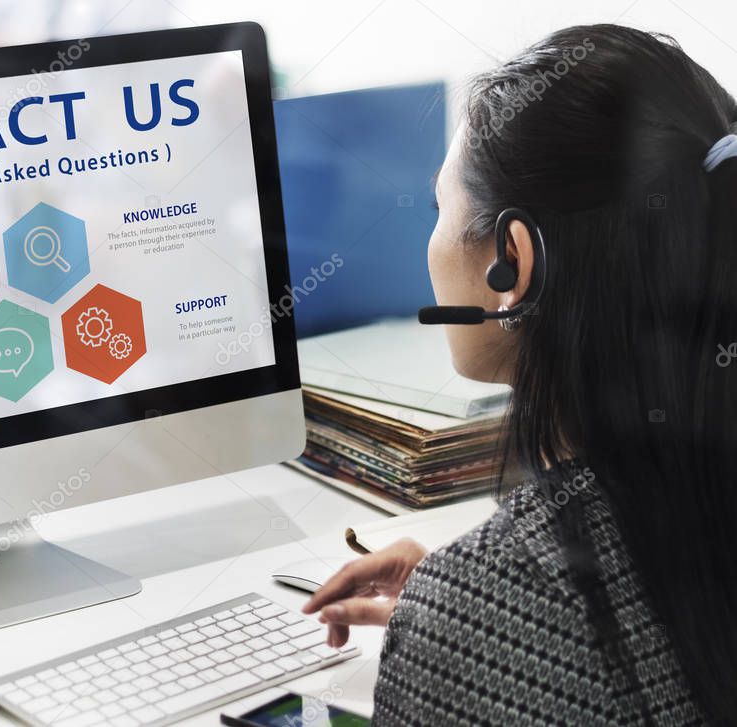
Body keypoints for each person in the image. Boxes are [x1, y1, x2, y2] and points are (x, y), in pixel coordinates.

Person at [304, 24, 737, 725]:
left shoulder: (474, 611)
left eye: (440, 209)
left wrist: (475, 612)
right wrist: (491, 596)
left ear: (512, 262)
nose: (432, 238)